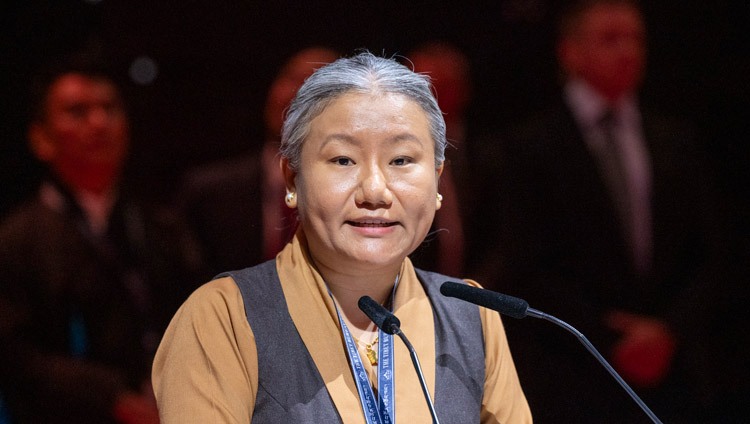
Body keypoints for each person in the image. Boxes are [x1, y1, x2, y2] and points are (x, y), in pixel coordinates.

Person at [152, 51, 532, 423]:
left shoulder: (472, 318)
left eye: (401, 160)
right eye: (343, 160)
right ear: (291, 178)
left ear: (437, 179)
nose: (375, 190)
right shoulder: (224, 317)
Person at [475, 0, 730, 422]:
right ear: (570, 52)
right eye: (611, 39)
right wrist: (609, 335)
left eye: (635, 39)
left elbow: (711, 253)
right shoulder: (529, 147)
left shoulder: (675, 140)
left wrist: (667, 330)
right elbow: (523, 263)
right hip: (571, 373)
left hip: (670, 375)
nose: (628, 51)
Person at [0, 49, 206, 423]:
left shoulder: (159, 225)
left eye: (109, 109)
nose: (99, 123)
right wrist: (112, 398)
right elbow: (14, 358)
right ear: (41, 139)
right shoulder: (15, 241)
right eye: (78, 112)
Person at [177, 46, 339, 274]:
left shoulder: (363, 198)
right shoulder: (207, 194)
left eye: (315, 86)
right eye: (290, 78)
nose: (295, 93)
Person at [403, 42, 475, 277]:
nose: (430, 98)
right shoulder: (387, 159)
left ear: (463, 91)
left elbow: (507, 240)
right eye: (419, 89)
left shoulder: (490, 155)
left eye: (442, 87)